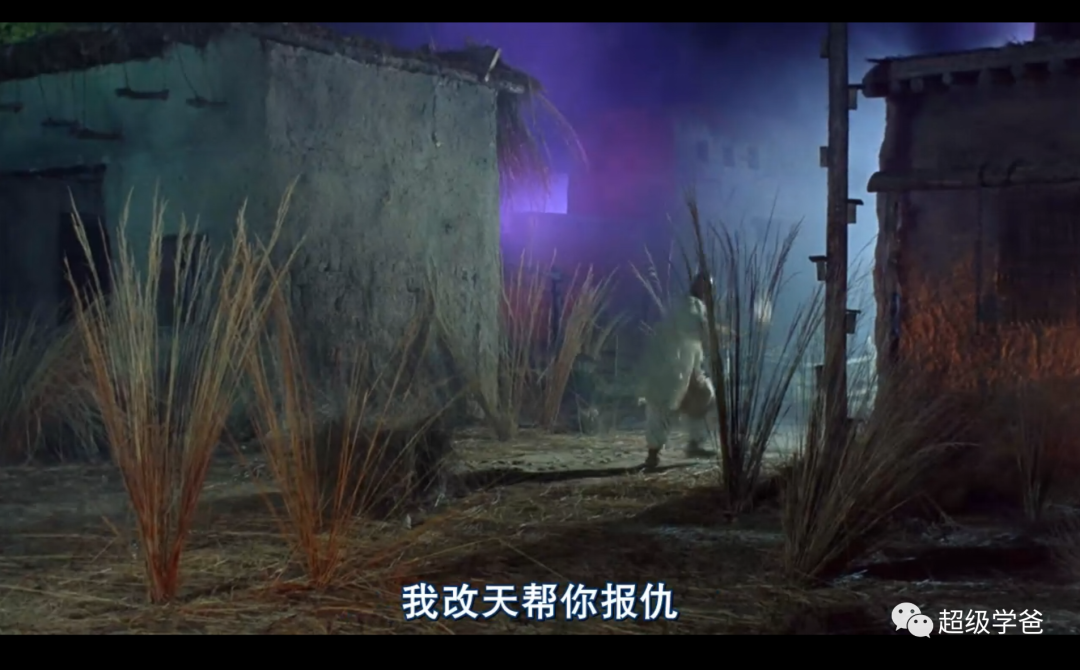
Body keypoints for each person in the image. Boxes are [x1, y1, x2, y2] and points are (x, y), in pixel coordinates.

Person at [637, 270, 718, 471]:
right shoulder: (689, 305)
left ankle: (694, 444)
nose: (707, 291)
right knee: (661, 409)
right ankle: (653, 454)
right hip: (672, 368)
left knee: (705, 397)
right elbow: (694, 329)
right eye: (706, 287)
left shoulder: (694, 305)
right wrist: (719, 334)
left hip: (687, 368)